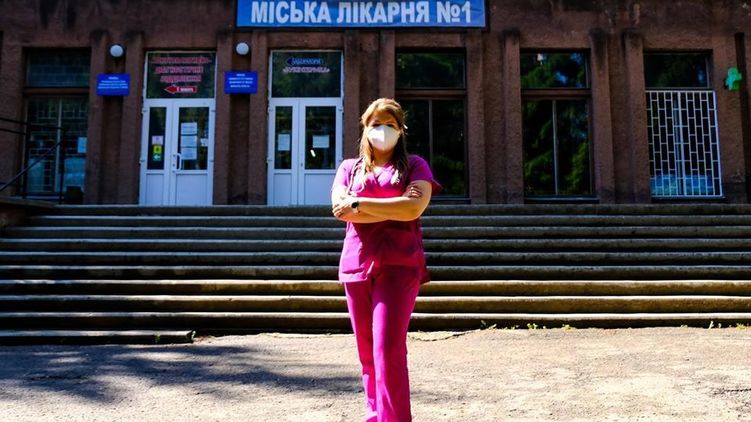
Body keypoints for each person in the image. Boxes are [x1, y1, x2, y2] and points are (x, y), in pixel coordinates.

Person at [331, 98, 441, 422]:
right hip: (356, 266)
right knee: (367, 354)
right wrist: (390, 207)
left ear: (401, 130)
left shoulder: (415, 166)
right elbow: (339, 210)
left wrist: (359, 204)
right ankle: (375, 417)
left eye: (390, 124)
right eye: (376, 124)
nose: (383, 130)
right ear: (365, 128)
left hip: (399, 265)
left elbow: (412, 208)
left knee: (387, 350)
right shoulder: (348, 168)